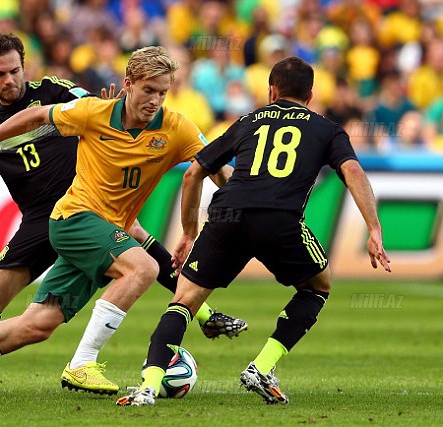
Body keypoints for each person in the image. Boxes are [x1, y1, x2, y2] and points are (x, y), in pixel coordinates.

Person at [0, 45, 241, 399]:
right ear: (128, 84)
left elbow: (213, 168)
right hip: (74, 218)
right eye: (148, 90)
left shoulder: (177, 128)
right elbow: (34, 117)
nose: (155, 100)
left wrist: (248, 195)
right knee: (142, 268)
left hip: (105, 230)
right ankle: (83, 363)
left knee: (38, 325)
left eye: (162, 92)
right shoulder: (93, 112)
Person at [117, 56, 392, 407]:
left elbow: (192, 174)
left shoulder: (248, 121)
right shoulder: (327, 129)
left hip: (227, 216)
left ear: (271, 90)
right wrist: (374, 228)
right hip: (279, 220)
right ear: (310, 95)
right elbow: (352, 172)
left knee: (183, 301)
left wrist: (188, 233)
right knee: (318, 287)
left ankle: (149, 386)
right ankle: (261, 368)